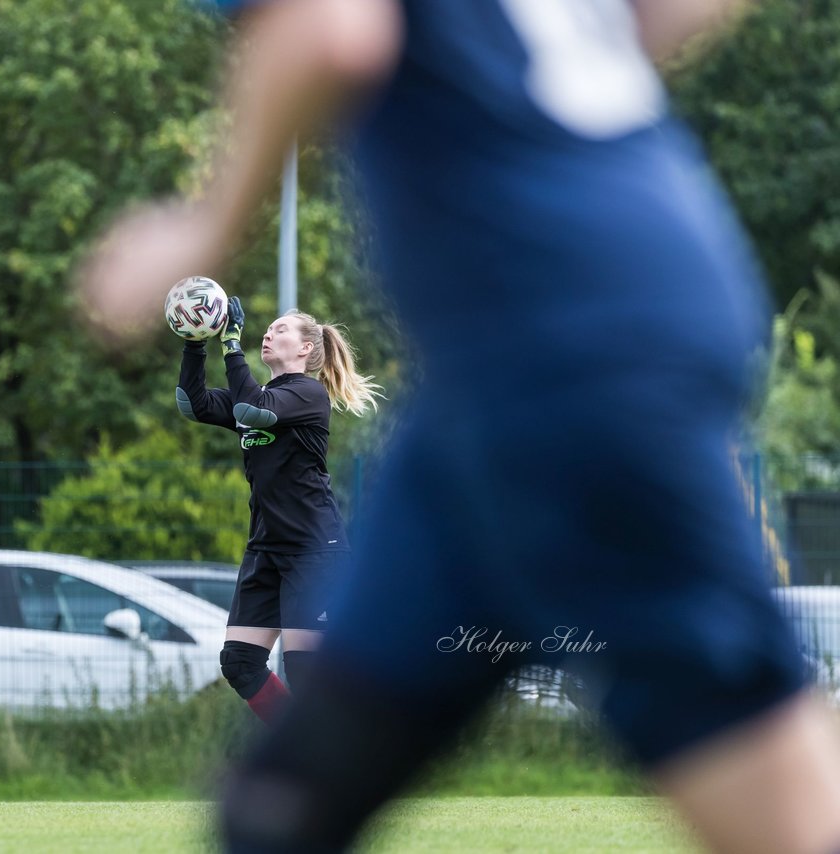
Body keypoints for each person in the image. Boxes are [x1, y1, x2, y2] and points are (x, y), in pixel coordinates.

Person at [76, 0, 840, 852]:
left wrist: (202, 226)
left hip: (568, 348)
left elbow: (332, 30)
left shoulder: (304, 396)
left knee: (777, 817)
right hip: (525, 359)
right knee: (282, 808)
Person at [175, 294, 381, 722]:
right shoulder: (262, 394)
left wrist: (232, 345)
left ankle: (331, 759)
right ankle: (302, 748)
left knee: (307, 674)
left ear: (306, 348)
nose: (268, 332)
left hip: (312, 549)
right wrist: (195, 342)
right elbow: (191, 403)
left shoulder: (306, 393)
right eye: (267, 328)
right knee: (239, 662)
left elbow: (252, 409)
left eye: (280, 328)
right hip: (265, 549)